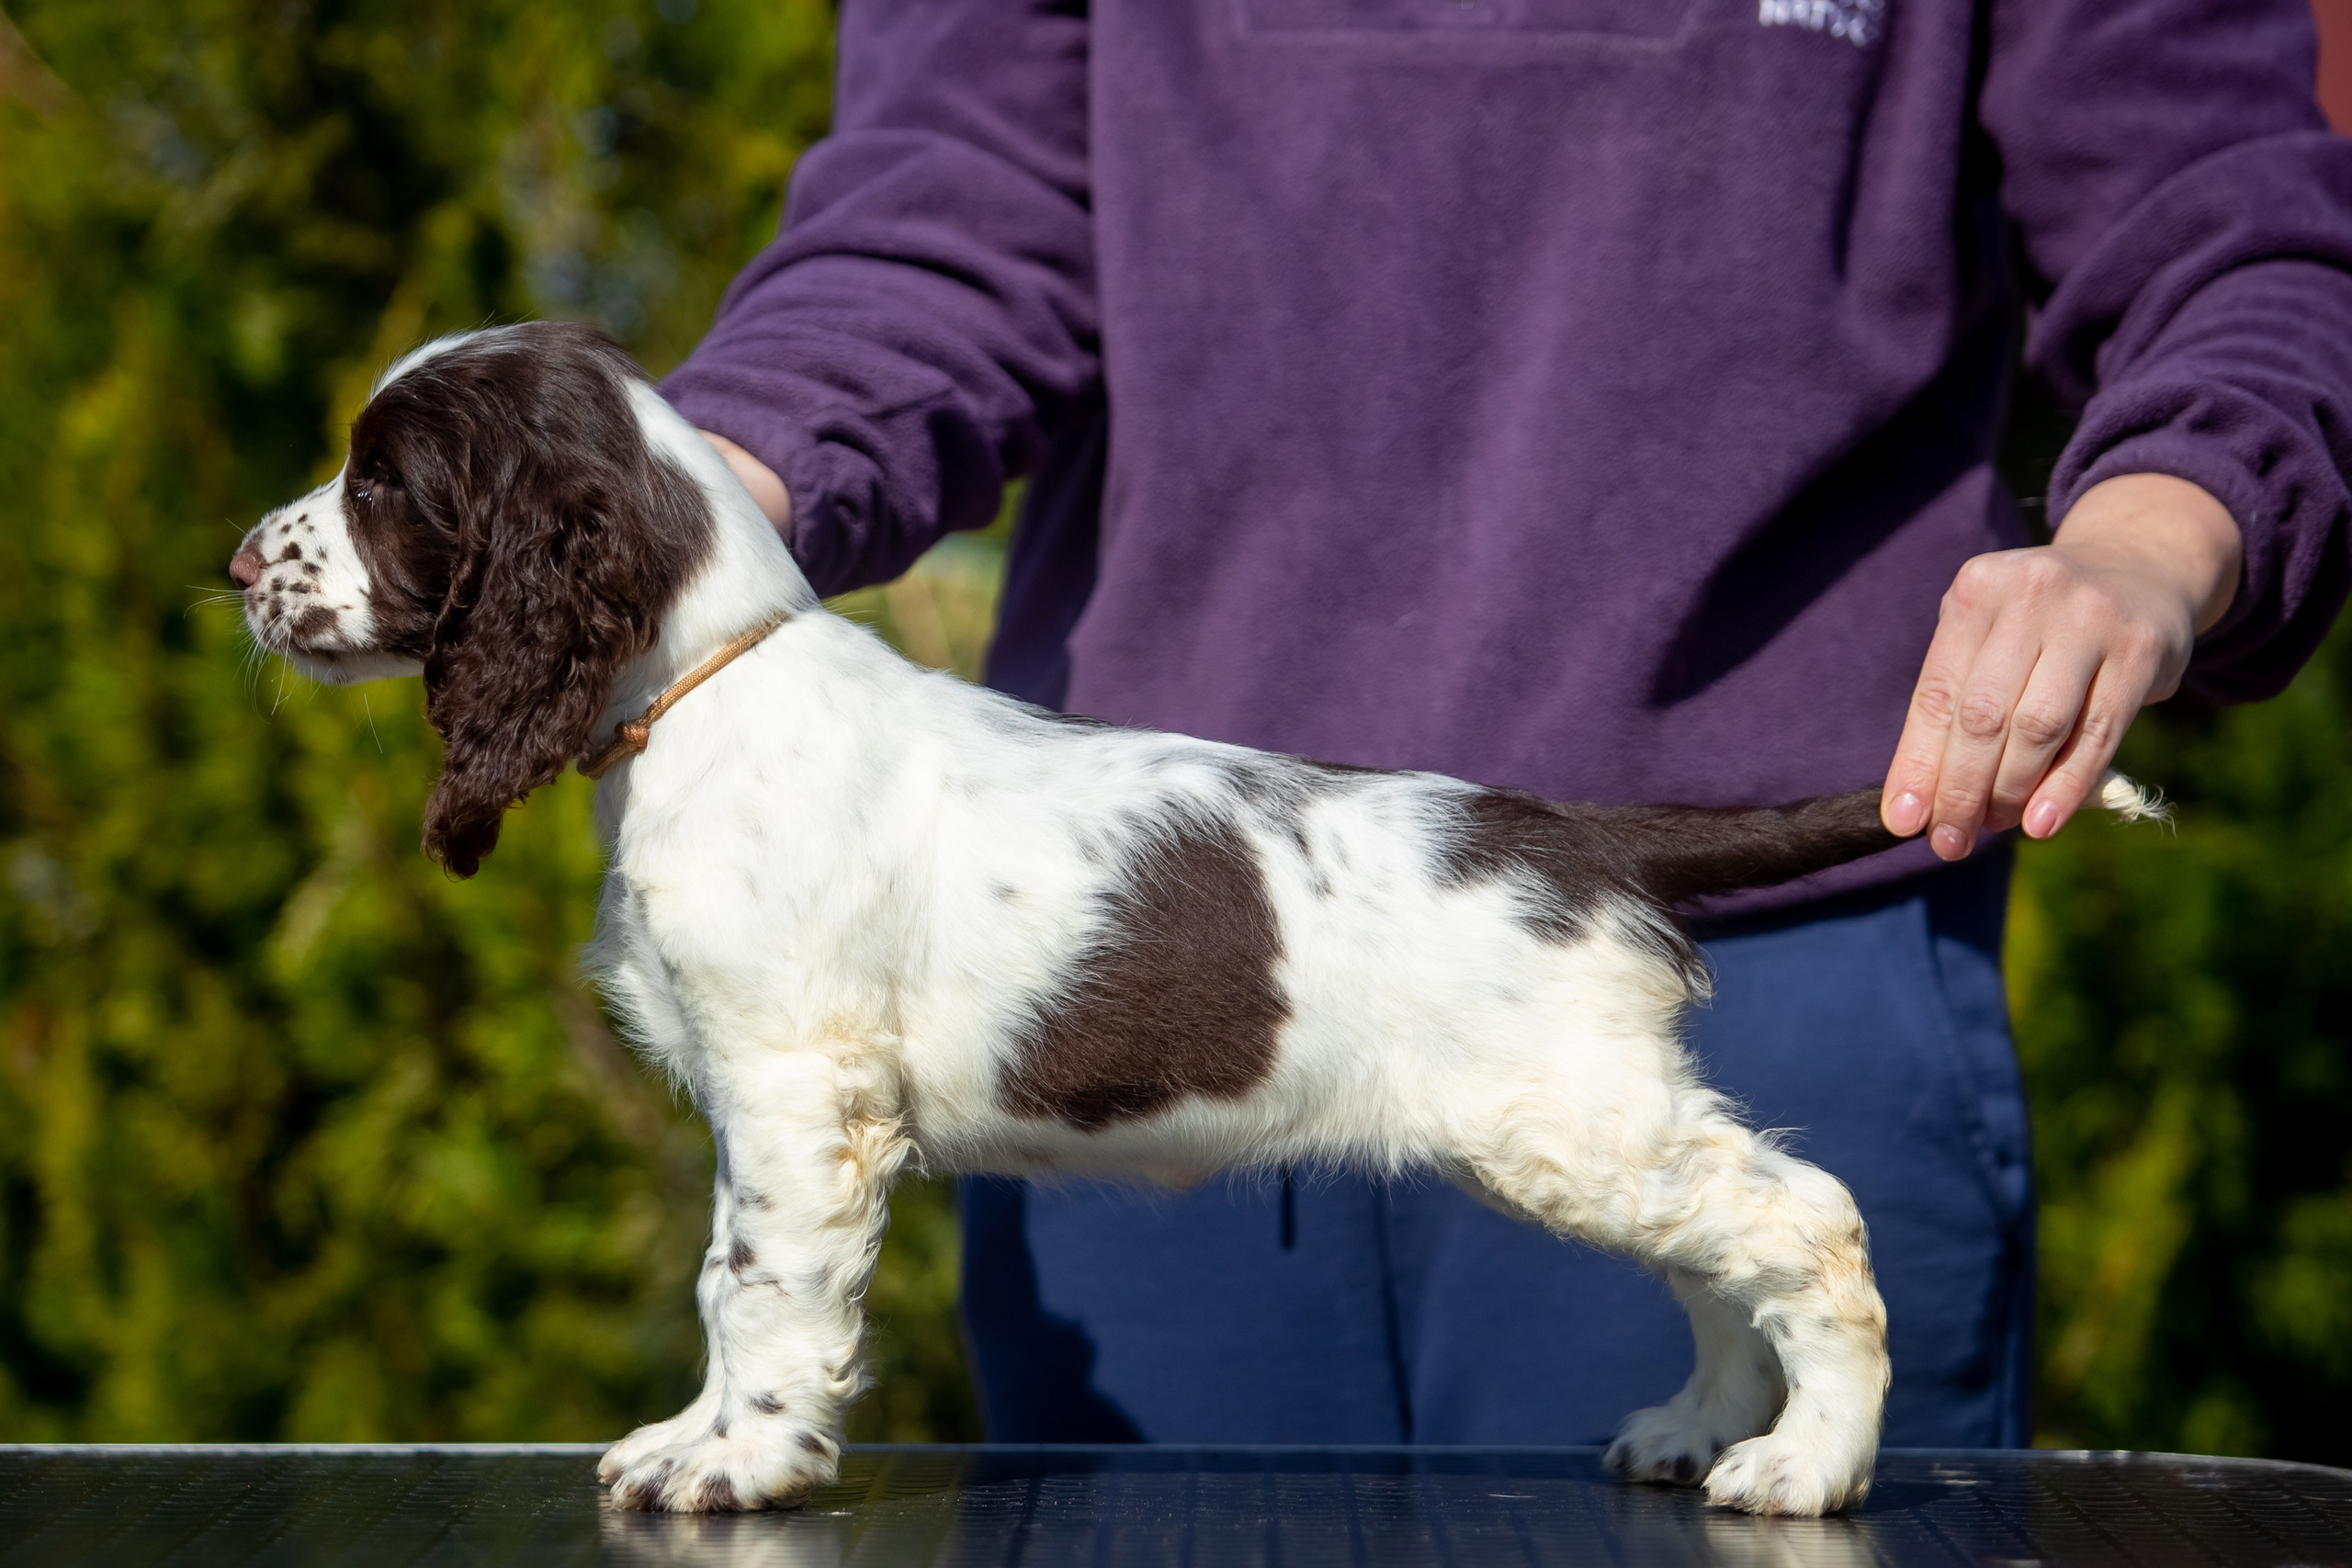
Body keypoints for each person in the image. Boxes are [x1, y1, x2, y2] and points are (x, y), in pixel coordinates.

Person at [660, 0, 2352, 1448]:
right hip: (1119, 966)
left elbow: (2232, 216)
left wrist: (2157, 526)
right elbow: (949, 208)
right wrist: (688, 505)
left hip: (1750, 939)